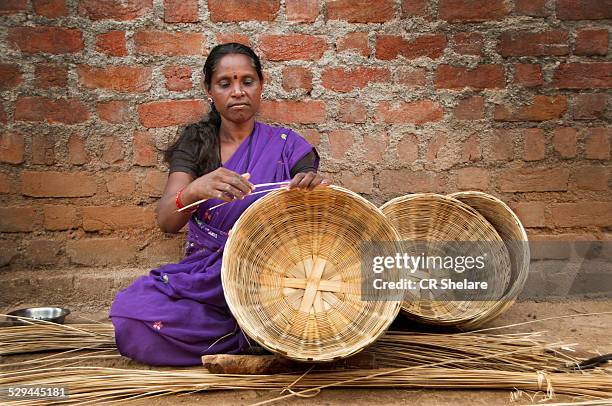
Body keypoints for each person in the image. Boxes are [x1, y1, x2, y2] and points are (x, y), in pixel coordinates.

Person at [109, 43, 329, 366]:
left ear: (261, 85)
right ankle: (253, 338)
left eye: (247, 81)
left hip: (269, 279)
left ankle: (261, 330)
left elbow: (317, 203)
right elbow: (167, 221)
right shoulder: (198, 143)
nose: (238, 91)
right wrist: (196, 189)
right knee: (130, 316)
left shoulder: (287, 147)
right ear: (209, 90)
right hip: (207, 279)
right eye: (225, 83)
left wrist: (315, 187)